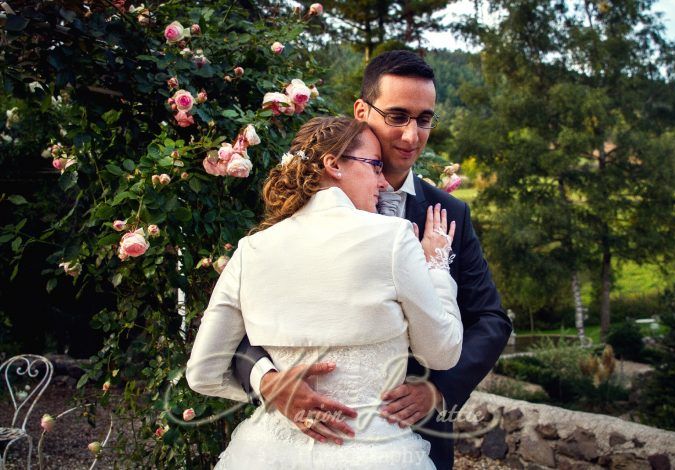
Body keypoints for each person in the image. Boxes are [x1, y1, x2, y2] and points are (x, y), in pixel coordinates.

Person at [233, 51, 513, 470]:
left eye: (424, 119)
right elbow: (241, 319)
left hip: (413, 440)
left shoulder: (449, 214)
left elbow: (491, 319)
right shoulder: (300, 206)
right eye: (398, 116)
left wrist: (438, 390)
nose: (412, 135)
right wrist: (268, 382)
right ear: (362, 111)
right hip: (297, 438)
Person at [187, 116, 463, 469]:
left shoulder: (250, 249)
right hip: (375, 454)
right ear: (333, 165)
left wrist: (266, 382)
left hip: (265, 454)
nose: (382, 181)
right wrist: (437, 265)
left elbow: (203, 373)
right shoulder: (394, 238)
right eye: (375, 165)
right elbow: (442, 354)